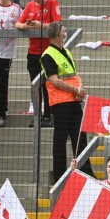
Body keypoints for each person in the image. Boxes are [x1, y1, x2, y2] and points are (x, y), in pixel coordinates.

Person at [42, 21, 92, 180]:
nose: (66, 32)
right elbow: (55, 81)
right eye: (64, 30)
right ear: (58, 34)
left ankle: (85, 171)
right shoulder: (48, 55)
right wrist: (76, 90)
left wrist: (80, 89)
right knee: (60, 139)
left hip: (74, 101)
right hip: (60, 103)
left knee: (80, 137)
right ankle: (59, 175)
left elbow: (74, 75)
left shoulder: (66, 51)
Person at [16, 0, 60, 126]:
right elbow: (18, 23)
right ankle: (37, 115)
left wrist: (41, 25)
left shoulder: (52, 3)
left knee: (49, 84)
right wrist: (25, 26)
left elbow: (58, 24)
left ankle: (48, 115)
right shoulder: (29, 6)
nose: (36, 0)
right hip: (33, 52)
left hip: (49, 52)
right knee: (36, 85)